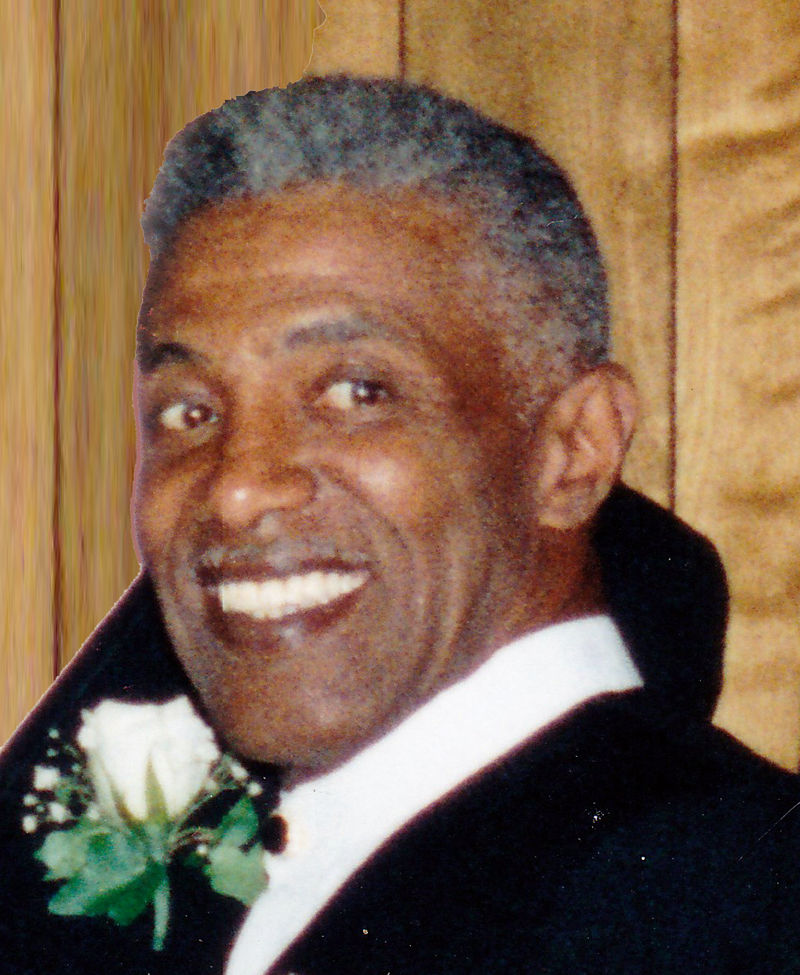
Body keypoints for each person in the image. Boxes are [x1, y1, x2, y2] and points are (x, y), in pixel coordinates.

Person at [0, 75, 797, 974]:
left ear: (574, 450)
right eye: (190, 411)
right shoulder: (225, 872)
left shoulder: (734, 904)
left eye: (356, 392)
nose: (237, 489)